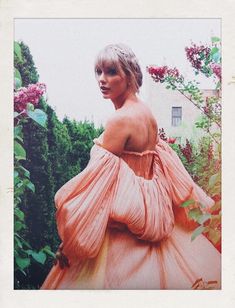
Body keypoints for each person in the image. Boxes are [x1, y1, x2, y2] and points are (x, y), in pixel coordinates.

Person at [41, 43, 221, 290]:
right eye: (99, 72)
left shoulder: (121, 119)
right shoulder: (146, 114)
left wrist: (72, 240)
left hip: (121, 231)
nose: (102, 80)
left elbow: (97, 185)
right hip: (153, 221)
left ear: (130, 75)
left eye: (112, 71)